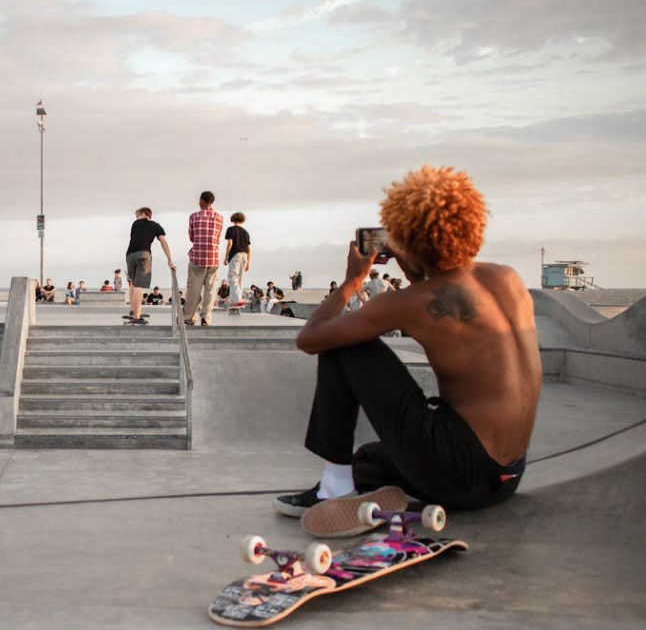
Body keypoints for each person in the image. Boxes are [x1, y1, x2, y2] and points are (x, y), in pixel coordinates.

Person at [275, 166, 539, 539]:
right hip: (506, 478)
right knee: (368, 459)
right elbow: (443, 289)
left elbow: (312, 337)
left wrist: (353, 279)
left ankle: (334, 488)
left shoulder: (410, 301)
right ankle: (367, 484)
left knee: (347, 344)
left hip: (456, 473)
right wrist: (415, 263)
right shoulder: (507, 278)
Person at [124, 207, 175, 325]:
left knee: (133, 282)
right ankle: (137, 317)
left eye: (137, 215)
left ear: (144, 214)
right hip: (143, 254)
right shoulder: (155, 225)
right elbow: (163, 241)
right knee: (139, 285)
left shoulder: (135, 224)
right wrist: (169, 260)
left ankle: (133, 311)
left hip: (129, 255)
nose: (136, 217)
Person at [184, 191, 224, 326]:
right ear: (212, 202)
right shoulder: (219, 217)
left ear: (201, 200)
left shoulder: (194, 216)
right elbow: (217, 238)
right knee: (210, 290)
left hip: (197, 258)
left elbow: (191, 237)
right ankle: (206, 318)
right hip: (213, 258)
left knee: (193, 289)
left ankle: (189, 317)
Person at [224, 212, 251, 311]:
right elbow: (249, 249)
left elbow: (230, 243)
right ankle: (237, 300)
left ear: (233, 219)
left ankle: (238, 300)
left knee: (232, 277)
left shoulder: (231, 229)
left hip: (235, 254)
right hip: (245, 255)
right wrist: (248, 262)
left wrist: (226, 256)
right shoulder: (245, 232)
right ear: (242, 220)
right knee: (240, 278)